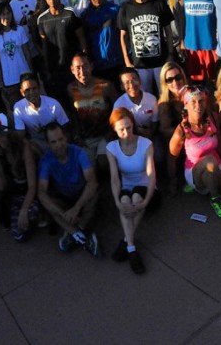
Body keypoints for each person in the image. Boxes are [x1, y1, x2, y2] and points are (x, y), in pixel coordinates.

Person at [169, 85, 221, 218]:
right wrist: (173, 182)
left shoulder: (213, 119)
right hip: (194, 171)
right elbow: (172, 157)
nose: (198, 105)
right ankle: (215, 198)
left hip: (216, 164)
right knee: (210, 162)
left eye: (201, 101)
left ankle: (213, 186)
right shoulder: (181, 130)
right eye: (193, 102)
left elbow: (220, 143)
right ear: (186, 105)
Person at [37, 123, 100, 257]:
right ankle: (82, 235)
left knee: (94, 193)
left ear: (65, 138)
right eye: (53, 142)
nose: (59, 145)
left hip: (81, 197)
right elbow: (41, 191)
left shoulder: (79, 152)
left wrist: (76, 208)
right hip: (64, 200)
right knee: (48, 203)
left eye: (60, 139)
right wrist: (63, 213)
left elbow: (92, 182)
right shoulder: (46, 160)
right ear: (48, 144)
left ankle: (74, 233)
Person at [105, 107, 156, 274]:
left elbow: (151, 175)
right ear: (114, 129)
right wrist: (117, 202)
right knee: (126, 201)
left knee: (136, 198)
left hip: (145, 187)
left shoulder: (146, 144)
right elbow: (114, 178)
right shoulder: (111, 148)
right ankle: (131, 247)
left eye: (129, 127)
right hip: (127, 186)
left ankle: (127, 243)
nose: (126, 132)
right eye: (121, 129)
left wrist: (148, 199)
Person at [117, 0, 175, 94]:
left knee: (165, 93)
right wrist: (127, 61)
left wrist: (170, 54)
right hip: (139, 63)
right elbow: (123, 37)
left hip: (160, 60)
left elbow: (168, 31)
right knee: (144, 95)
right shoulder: (125, 8)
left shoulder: (159, 4)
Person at [67, 53, 118, 174]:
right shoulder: (70, 89)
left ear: (91, 66)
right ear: (72, 70)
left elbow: (119, 110)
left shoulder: (106, 86)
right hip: (86, 139)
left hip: (105, 136)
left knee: (103, 163)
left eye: (85, 66)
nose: (82, 71)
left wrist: (112, 133)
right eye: (78, 68)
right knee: (86, 169)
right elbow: (73, 115)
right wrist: (77, 136)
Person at [38, 0, 85, 103]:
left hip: (73, 70)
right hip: (55, 71)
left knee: (78, 103)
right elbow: (45, 47)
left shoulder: (70, 14)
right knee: (61, 104)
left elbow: (82, 40)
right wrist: (47, 70)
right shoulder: (42, 20)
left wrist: (84, 65)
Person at [176, 0, 217, 83]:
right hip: (192, 46)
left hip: (212, 46)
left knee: (216, 86)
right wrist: (182, 41)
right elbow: (180, 18)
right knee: (196, 86)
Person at [13, 73, 71, 153]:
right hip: (37, 143)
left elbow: (66, 130)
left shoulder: (53, 104)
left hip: (56, 141)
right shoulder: (18, 107)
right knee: (28, 148)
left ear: (39, 88)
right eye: (27, 90)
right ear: (22, 92)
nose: (32, 92)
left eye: (34, 88)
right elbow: (20, 136)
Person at [0, 2, 32, 111]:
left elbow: (27, 53)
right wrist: (0, 81)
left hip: (24, 76)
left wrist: (30, 71)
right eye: (3, 14)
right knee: (18, 111)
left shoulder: (19, 30)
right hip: (9, 81)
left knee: (31, 108)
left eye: (8, 13)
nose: (6, 17)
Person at [80, 0, 123, 83]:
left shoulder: (115, 10)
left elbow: (124, 36)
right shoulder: (84, 16)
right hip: (97, 67)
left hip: (117, 63)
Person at [156, 61, 187, 147]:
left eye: (178, 77)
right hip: (179, 142)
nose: (175, 82)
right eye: (170, 80)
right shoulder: (164, 103)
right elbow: (166, 130)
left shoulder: (193, 93)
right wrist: (189, 133)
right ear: (164, 83)